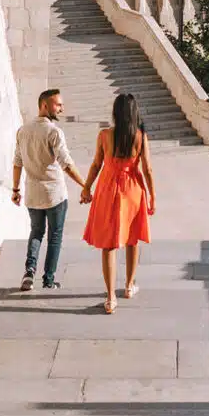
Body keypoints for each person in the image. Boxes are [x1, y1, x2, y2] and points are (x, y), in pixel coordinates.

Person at [81, 92, 156, 313]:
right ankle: (129, 286)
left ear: (115, 113)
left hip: (107, 188)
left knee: (108, 243)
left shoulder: (104, 135)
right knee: (132, 238)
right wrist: (152, 196)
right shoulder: (140, 137)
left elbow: (96, 165)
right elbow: (148, 169)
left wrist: (87, 187)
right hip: (132, 188)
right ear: (134, 113)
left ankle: (111, 297)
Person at [12, 88, 87, 291]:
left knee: (36, 232)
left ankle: (29, 271)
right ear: (44, 105)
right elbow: (67, 164)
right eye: (58, 104)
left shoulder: (23, 130)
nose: (61, 108)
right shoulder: (54, 132)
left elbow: (17, 162)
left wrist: (15, 189)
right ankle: (48, 280)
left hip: (32, 194)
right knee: (55, 235)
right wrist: (86, 185)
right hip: (54, 195)